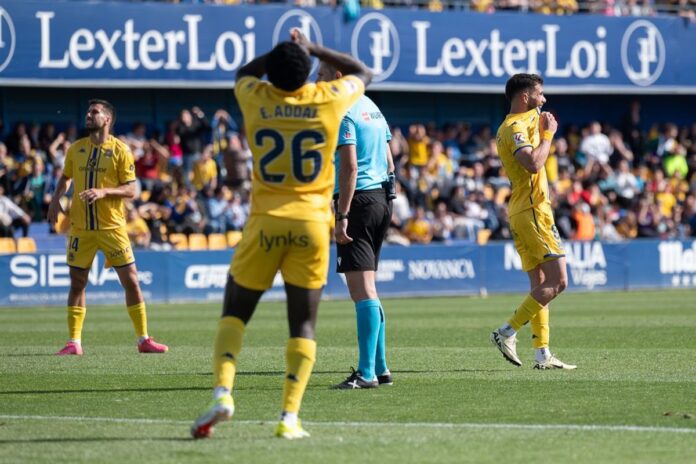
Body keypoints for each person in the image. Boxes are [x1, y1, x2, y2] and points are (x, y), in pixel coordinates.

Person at [190, 29, 371, 440]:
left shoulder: (255, 96)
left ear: (270, 73)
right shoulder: (326, 99)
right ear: (308, 70)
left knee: (235, 312)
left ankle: (222, 392)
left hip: (265, 221)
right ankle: (289, 417)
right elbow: (362, 70)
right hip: (310, 224)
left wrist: (280, 53)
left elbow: (242, 72)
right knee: (302, 325)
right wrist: (311, 48)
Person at [47, 99, 168, 356]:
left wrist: (104, 192)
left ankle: (143, 339)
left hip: (112, 227)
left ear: (107, 119)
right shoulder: (76, 149)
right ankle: (74, 342)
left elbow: (131, 189)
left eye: (95, 112)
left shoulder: (121, 150)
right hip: (81, 228)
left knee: (132, 281)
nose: (89, 115)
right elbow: (65, 177)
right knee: (77, 283)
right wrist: (56, 198)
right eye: (88, 112)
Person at [316, 61, 394, 390]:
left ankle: (366, 374)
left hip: (358, 203)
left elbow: (348, 167)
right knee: (369, 288)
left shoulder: (343, 110)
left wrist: (342, 214)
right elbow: (390, 160)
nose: (315, 81)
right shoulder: (371, 106)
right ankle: (380, 367)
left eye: (319, 75)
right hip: (380, 199)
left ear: (336, 77)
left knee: (361, 291)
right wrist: (388, 195)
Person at [490, 74, 576, 370]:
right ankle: (506, 332)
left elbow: (537, 117)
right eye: (540, 93)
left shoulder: (523, 120)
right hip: (532, 210)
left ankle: (542, 353)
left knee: (541, 285)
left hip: (523, 210)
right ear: (525, 96)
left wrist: (542, 124)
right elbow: (533, 163)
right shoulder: (514, 127)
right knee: (559, 281)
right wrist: (549, 134)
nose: (545, 99)